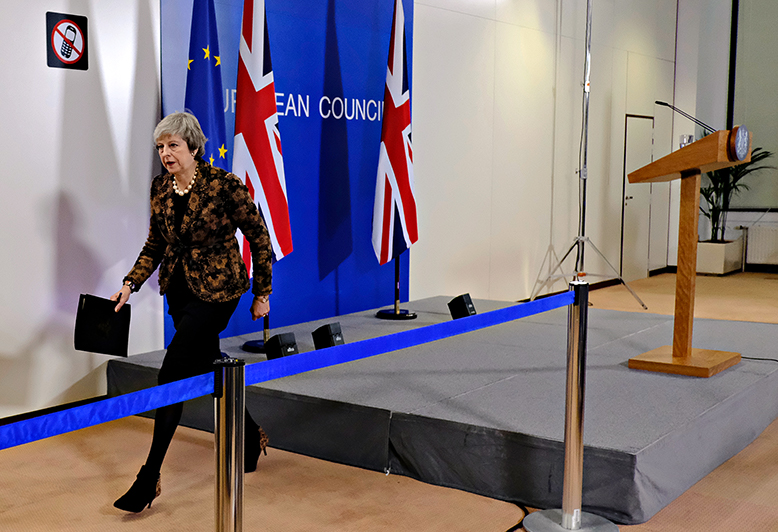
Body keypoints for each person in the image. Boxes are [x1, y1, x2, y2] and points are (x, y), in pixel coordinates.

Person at [110, 111, 272, 513]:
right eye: (160, 147)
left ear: (193, 146)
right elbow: (155, 245)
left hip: (219, 292)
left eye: (173, 145)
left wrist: (262, 293)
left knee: (172, 372)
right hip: (179, 293)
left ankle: (149, 477)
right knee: (208, 362)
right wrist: (130, 284)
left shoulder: (224, 185)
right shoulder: (160, 188)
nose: (166, 153)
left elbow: (259, 237)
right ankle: (251, 434)